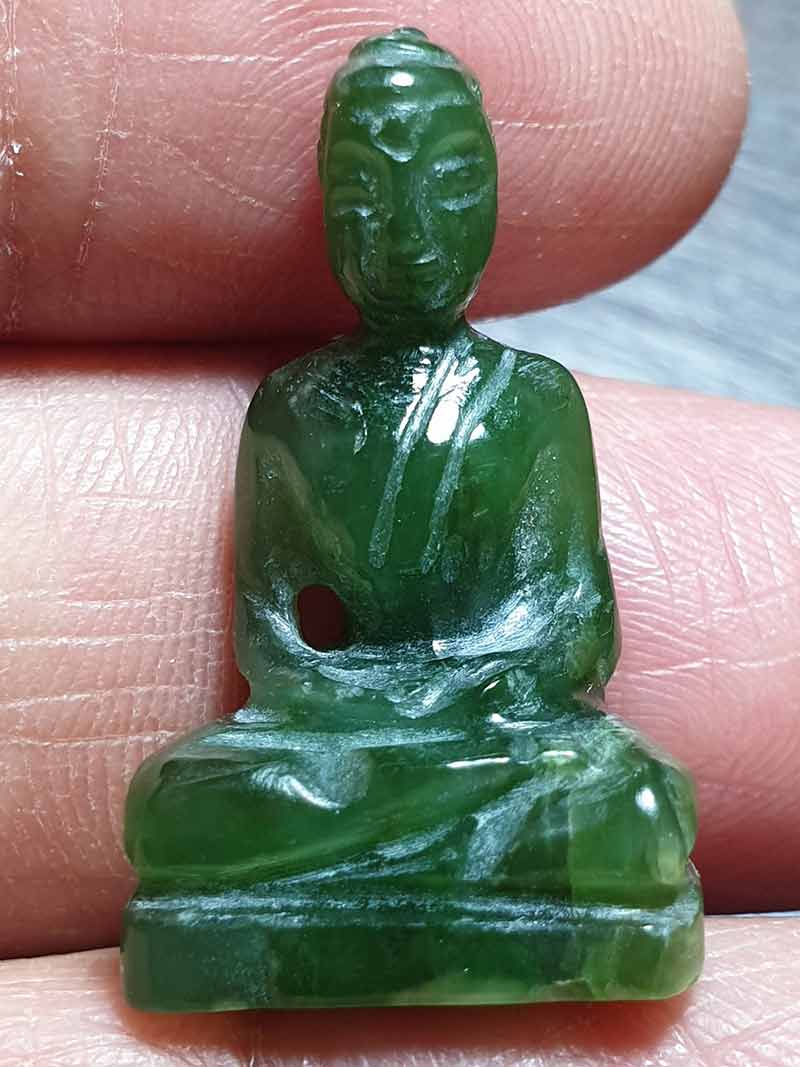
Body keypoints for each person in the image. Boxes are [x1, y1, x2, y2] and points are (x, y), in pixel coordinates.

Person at [1, 0, 798, 1061]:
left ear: (491, 201)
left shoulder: (529, 401)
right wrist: (355, 696)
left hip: (501, 731)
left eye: (449, 188)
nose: (409, 235)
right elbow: (271, 640)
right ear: (332, 216)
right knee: (181, 802)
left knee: (631, 800)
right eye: (365, 199)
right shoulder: (294, 407)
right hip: (340, 733)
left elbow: (571, 621)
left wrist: (463, 687)